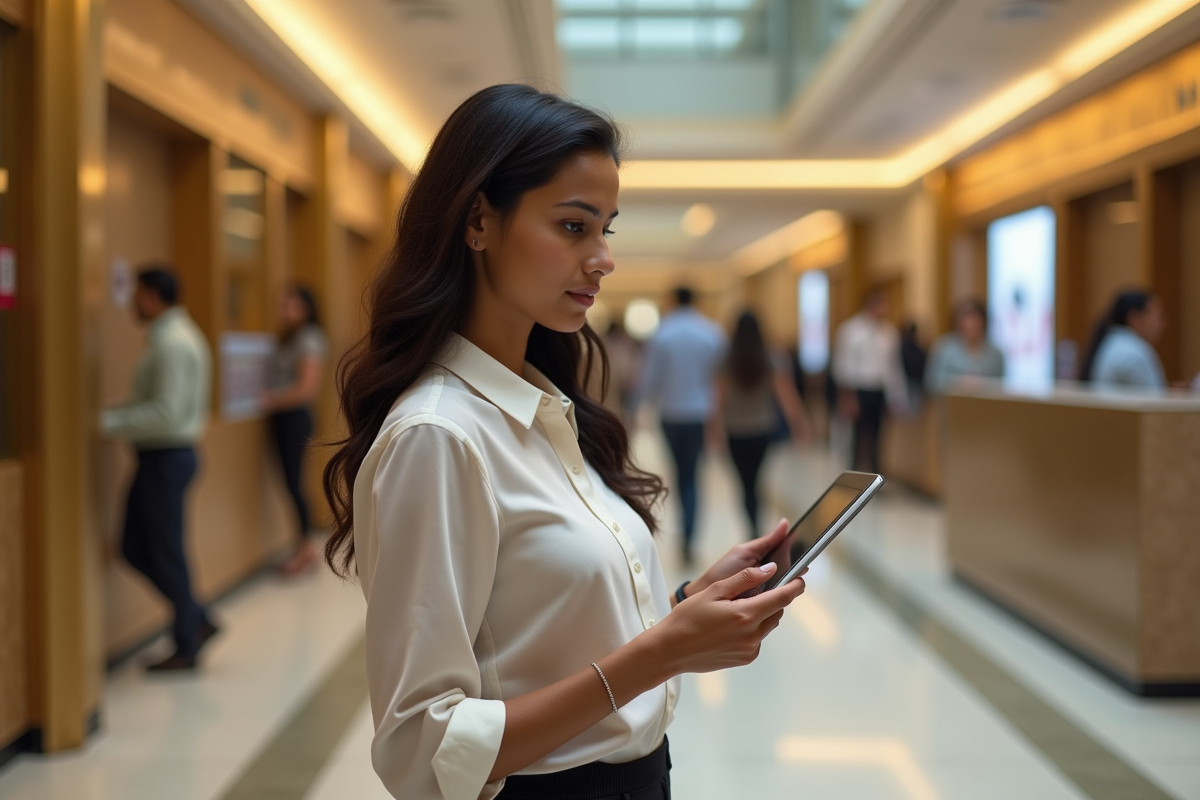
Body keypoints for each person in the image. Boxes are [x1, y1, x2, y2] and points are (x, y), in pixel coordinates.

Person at [320, 84, 807, 800]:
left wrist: (684, 607)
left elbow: (543, 633)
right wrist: (661, 653)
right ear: (478, 221)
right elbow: (425, 749)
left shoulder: (543, 406)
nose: (602, 258)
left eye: (606, 229)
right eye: (574, 227)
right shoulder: (438, 436)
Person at [100, 266, 217, 672]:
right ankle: (197, 618)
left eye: (136, 295)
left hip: (166, 457)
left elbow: (166, 413)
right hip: (160, 458)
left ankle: (187, 643)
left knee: (165, 553)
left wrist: (106, 424)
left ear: (151, 295)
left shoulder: (173, 344)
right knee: (135, 547)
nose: (132, 303)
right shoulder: (170, 339)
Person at [636, 287, 727, 564]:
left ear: (674, 300)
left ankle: (684, 531)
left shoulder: (662, 333)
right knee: (692, 475)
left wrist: (638, 407)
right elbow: (719, 377)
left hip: (671, 413)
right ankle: (689, 535)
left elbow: (650, 378)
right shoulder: (711, 332)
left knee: (679, 473)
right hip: (700, 413)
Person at [713, 312, 811, 537]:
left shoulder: (727, 359)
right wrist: (799, 424)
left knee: (745, 483)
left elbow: (718, 398)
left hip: (735, 430)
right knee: (756, 480)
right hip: (762, 428)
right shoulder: (771, 357)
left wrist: (714, 429)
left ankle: (752, 525)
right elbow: (786, 396)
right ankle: (755, 524)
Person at [260, 284, 328, 575]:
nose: (286, 311)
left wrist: (272, 399)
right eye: (284, 305)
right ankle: (303, 545)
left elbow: (306, 389)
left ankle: (306, 548)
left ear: (307, 308)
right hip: (282, 417)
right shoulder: (288, 338)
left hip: (294, 417)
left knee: (295, 483)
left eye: (293, 305)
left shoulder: (309, 338)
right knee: (290, 483)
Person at [832, 289, 907, 475]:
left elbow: (892, 367)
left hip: (880, 389)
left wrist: (896, 396)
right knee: (857, 436)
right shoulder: (850, 330)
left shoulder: (889, 332)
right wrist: (848, 396)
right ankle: (854, 474)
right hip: (859, 388)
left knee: (878, 436)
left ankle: (875, 475)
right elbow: (843, 364)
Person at [1078, 289, 1167, 391]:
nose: (1162, 323)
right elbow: (1155, 398)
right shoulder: (1134, 353)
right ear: (1134, 317)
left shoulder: (1111, 342)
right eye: (1158, 315)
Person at [925, 299, 1005, 395]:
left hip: (984, 402)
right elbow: (932, 381)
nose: (971, 324)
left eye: (975, 319)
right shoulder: (944, 348)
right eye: (967, 319)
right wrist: (959, 382)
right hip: (951, 401)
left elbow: (1000, 385)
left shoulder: (995, 354)